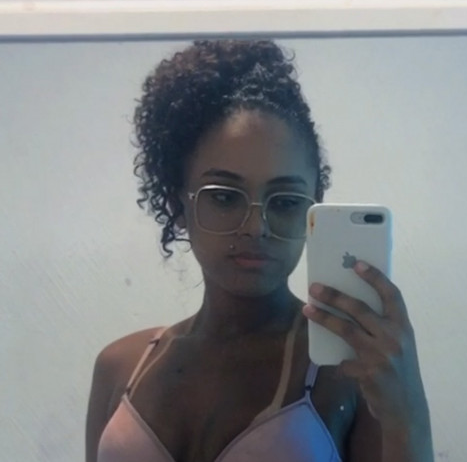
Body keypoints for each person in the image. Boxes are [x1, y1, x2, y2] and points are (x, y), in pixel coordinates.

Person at [85, 39, 433, 462]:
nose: (256, 227)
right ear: (179, 205)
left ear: (312, 213)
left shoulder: (349, 370)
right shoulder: (119, 367)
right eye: (224, 196)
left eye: (284, 202)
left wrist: (408, 413)